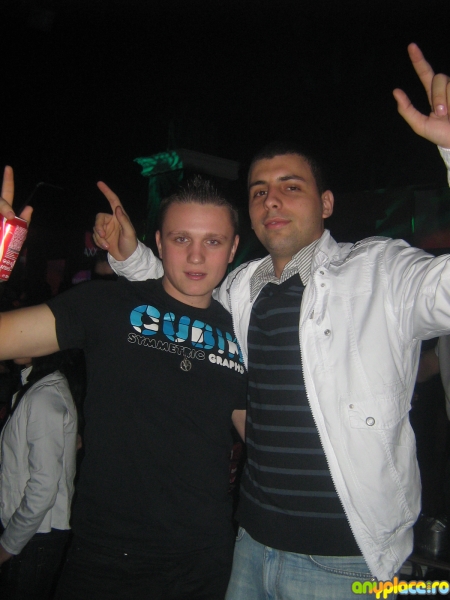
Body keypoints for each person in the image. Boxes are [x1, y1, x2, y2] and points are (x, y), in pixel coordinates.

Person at [92, 44, 450, 599]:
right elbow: (185, 286)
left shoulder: (381, 270)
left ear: (326, 203)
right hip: (250, 544)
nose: (271, 200)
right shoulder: (243, 286)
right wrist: (130, 254)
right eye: (259, 191)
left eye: (291, 186)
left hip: (346, 562)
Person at [0, 175, 247, 599]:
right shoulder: (108, 304)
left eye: (213, 241)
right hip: (107, 559)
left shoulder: (240, 331)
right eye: (181, 238)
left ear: (233, 247)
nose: (196, 255)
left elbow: (263, 438)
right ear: (159, 242)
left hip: (205, 560)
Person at [0, 352, 78, 600]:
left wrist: (8, 545)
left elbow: (43, 486)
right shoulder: (34, 388)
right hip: (30, 532)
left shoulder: (44, 396)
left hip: (35, 536)